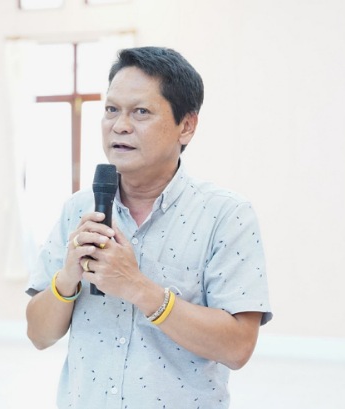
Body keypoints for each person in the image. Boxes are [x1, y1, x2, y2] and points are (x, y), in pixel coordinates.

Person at [25, 46, 272, 409]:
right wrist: (67, 278)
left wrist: (137, 287)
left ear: (186, 126)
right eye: (111, 110)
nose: (120, 125)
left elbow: (237, 348)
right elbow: (38, 335)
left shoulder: (226, 215)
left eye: (141, 112)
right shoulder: (79, 209)